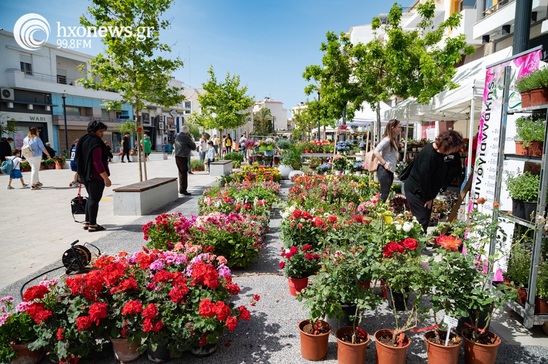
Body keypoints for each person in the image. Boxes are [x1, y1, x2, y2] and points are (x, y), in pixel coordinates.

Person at [403, 130, 464, 232]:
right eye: (453, 149)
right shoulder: (430, 155)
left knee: (423, 219)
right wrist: (428, 198)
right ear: (447, 146)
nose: (453, 152)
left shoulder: (437, 151)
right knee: (421, 220)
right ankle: (418, 246)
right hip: (417, 191)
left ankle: (419, 245)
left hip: (422, 191)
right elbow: (424, 178)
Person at [75, 121, 111, 232]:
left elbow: (78, 157)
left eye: (103, 131)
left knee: (90, 197)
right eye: (100, 131)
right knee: (94, 199)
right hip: (95, 175)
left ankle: (87, 221)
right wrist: (105, 178)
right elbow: (97, 162)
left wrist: (77, 172)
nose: (102, 134)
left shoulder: (84, 139)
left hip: (85, 174)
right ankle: (93, 224)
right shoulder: (96, 143)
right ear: (94, 131)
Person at [373, 119, 403, 202]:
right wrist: (385, 163)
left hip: (389, 170)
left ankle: (378, 211)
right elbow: (376, 151)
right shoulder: (387, 140)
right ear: (393, 128)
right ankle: (377, 212)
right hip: (384, 170)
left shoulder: (392, 140)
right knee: (384, 194)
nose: (400, 129)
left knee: (385, 193)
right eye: (399, 127)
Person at [174, 125, 196, 195]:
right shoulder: (186, 137)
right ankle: (183, 190)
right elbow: (193, 147)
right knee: (184, 173)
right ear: (187, 131)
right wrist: (192, 140)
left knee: (180, 172)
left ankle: (181, 189)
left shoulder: (178, 136)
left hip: (177, 156)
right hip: (183, 156)